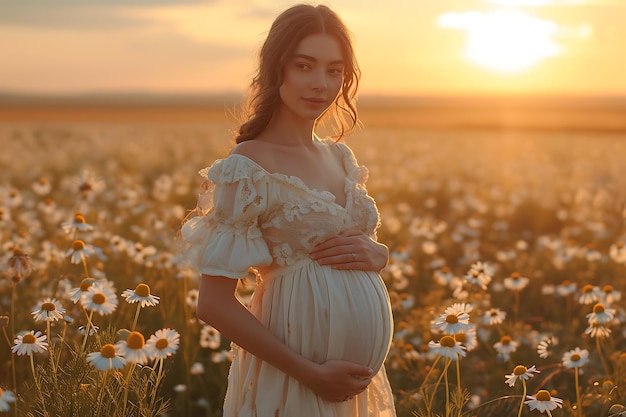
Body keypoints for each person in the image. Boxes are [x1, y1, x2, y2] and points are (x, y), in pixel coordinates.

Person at [181, 4, 396, 416]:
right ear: (276, 68)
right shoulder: (249, 164)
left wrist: (380, 255)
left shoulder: (341, 157)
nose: (321, 84)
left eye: (334, 71)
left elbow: (355, 249)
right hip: (295, 378)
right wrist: (309, 373)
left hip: (354, 386)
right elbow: (213, 303)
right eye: (305, 66)